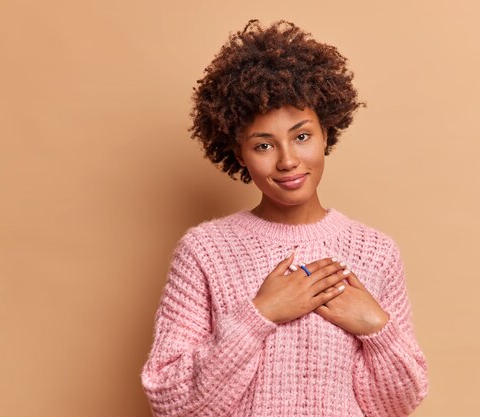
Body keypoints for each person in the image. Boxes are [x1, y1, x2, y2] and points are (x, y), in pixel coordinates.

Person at [141, 20, 428, 417]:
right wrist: (260, 315)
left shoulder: (376, 252)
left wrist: (376, 327)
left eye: (302, 136)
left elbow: (394, 404)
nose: (288, 160)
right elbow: (171, 399)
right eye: (263, 145)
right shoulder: (205, 250)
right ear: (240, 154)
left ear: (327, 133)